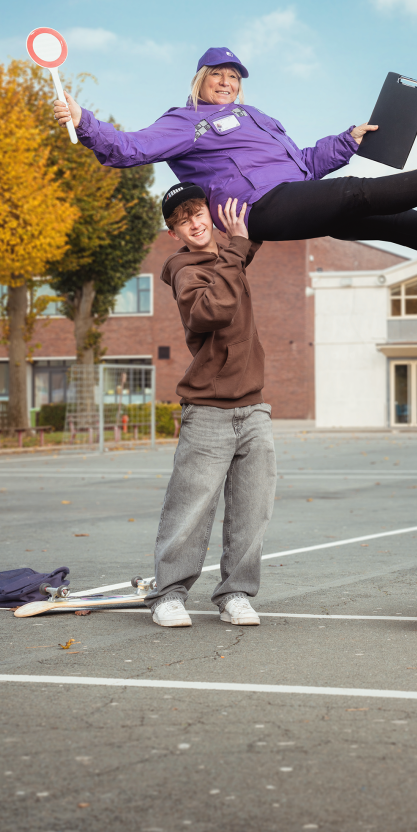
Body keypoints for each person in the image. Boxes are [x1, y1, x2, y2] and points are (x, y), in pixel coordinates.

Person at [53, 45, 417, 260]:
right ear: (199, 82)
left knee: (393, 223)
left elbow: (305, 166)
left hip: (295, 192)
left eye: (233, 77)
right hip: (258, 209)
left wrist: (346, 142)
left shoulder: (260, 120)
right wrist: (84, 121)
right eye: (216, 75)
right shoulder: (186, 122)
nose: (226, 82)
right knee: (358, 196)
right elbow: (128, 149)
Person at [144, 182, 276, 629]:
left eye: (198, 213)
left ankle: (235, 593)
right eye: (183, 221)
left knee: (252, 507)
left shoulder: (228, 257)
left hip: (253, 407)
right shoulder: (184, 269)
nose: (195, 224)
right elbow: (212, 311)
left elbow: (256, 232)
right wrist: (237, 250)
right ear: (173, 234)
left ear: (210, 214)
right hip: (208, 409)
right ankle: (167, 595)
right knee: (192, 506)